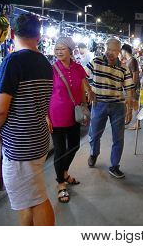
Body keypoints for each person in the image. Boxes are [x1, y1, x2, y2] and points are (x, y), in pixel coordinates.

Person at [0, 14, 54, 225]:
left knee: (36, 198)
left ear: (11, 33)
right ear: (39, 35)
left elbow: (0, 110)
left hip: (20, 144)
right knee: (26, 199)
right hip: (37, 138)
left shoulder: (14, 61)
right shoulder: (45, 62)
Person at [49, 37, 90, 203]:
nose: (59, 51)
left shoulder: (78, 68)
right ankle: (61, 184)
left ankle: (64, 172)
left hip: (74, 114)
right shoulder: (51, 69)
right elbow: (45, 93)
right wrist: (45, 116)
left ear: (71, 50)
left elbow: (82, 89)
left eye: (63, 48)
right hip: (56, 114)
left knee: (74, 145)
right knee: (59, 150)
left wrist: (85, 108)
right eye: (57, 48)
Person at [86, 38, 134, 179]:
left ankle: (114, 166)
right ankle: (94, 153)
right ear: (105, 48)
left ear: (119, 52)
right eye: (109, 49)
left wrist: (129, 109)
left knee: (118, 138)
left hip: (118, 106)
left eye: (114, 50)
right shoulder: (96, 61)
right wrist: (89, 91)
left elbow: (129, 89)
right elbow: (83, 77)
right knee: (95, 134)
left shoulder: (124, 68)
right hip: (99, 103)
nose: (111, 53)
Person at [121, 43, 140, 130]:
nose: (121, 53)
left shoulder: (133, 61)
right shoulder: (128, 60)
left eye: (122, 51)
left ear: (125, 51)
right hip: (129, 88)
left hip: (133, 88)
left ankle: (137, 123)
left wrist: (132, 89)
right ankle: (129, 120)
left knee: (135, 105)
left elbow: (135, 76)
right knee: (131, 105)